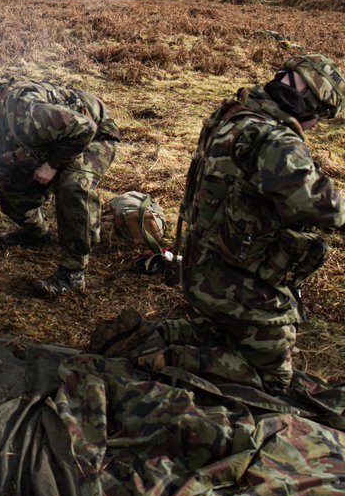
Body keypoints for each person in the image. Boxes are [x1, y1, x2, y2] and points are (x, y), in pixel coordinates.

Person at [95, 55, 345, 391]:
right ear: (313, 104)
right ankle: (163, 361)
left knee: (225, 333)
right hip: (241, 290)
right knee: (273, 379)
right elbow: (319, 206)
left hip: (204, 272)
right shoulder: (277, 140)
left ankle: (159, 334)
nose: (317, 126)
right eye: (322, 116)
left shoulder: (232, 115)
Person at [0, 78, 120, 295]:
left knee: (73, 186)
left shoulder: (25, 116)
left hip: (92, 135)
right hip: (52, 140)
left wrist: (52, 165)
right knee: (10, 194)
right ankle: (38, 233)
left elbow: (85, 128)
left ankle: (73, 273)